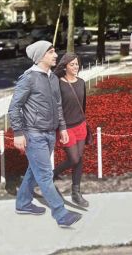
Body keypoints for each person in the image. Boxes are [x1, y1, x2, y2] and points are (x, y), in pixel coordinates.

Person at [8, 40, 82, 228]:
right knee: (45, 175)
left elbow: (58, 105)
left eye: (54, 51)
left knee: (34, 170)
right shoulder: (29, 78)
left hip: (50, 133)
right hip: (34, 134)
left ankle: (23, 203)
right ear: (41, 56)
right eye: (51, 52)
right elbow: (14, 107)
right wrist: (18, 132)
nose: (55, 55)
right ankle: (61, 214)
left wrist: (63, 128)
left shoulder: (52, 78)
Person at [52, 53, 90, 207]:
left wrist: (84, 123)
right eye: (72, 64)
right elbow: (57, 108)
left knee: (79, 158)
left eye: (77, 64)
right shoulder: (58, 84)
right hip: (66, 128)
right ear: (65, 66)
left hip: (81, 125)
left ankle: (76, 192)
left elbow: (83, 105)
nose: (75, 67)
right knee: (73, 158)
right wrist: (62, 129)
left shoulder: (81, 83)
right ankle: (52, 174)